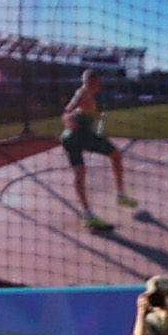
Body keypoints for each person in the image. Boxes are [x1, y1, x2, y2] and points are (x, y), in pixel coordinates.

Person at [62, 68, 132, 227]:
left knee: (80, 173)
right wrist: (70, 118)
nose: (100, 85)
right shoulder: (84, 93)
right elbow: (69, 110)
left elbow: (82, 111)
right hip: (80, 135)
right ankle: (120, 195)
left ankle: (87, 215)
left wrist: (98, 116)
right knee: (116, 155)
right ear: (91, 82)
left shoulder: (87, 95)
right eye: (98, 81)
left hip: (68, 138)